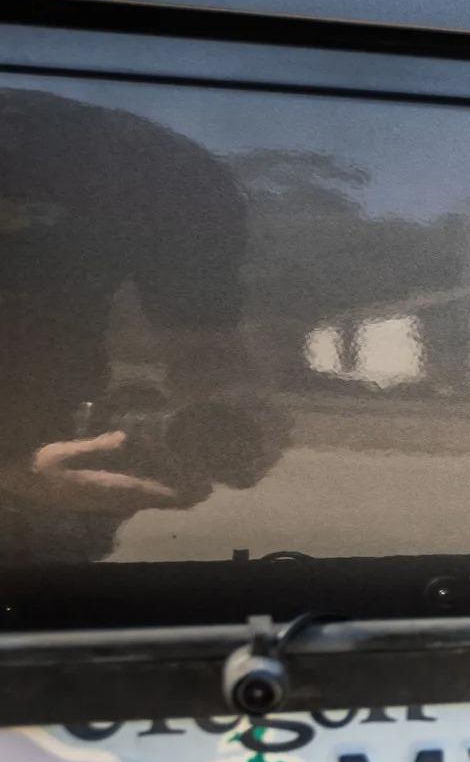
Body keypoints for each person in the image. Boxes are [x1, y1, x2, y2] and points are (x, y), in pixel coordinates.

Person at [0, 86, 280, 563]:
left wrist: (230, 412)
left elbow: (202, 345)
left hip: (55, 495)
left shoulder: (169, 176)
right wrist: (14, 473)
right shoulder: (154, 167)